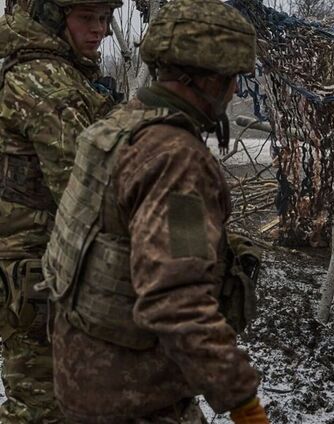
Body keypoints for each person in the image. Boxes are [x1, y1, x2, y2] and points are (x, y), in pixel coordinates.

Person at [41, 0, 269, 422]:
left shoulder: (117, 126)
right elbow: (175, 300)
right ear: (205, 78)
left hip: (82, 379)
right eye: (231, 78)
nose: (235, 90)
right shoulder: (175, 159)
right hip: (135, 397)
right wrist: (246, 406)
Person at [0, 0, 121, 421]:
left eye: (105, 18)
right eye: (87, 17)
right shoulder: (45, 82)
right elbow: (88, 193)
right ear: (52, 17)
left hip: (47, 267)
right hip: (39, 273)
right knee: (43, 408)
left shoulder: (56, 73)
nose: (100, 29)